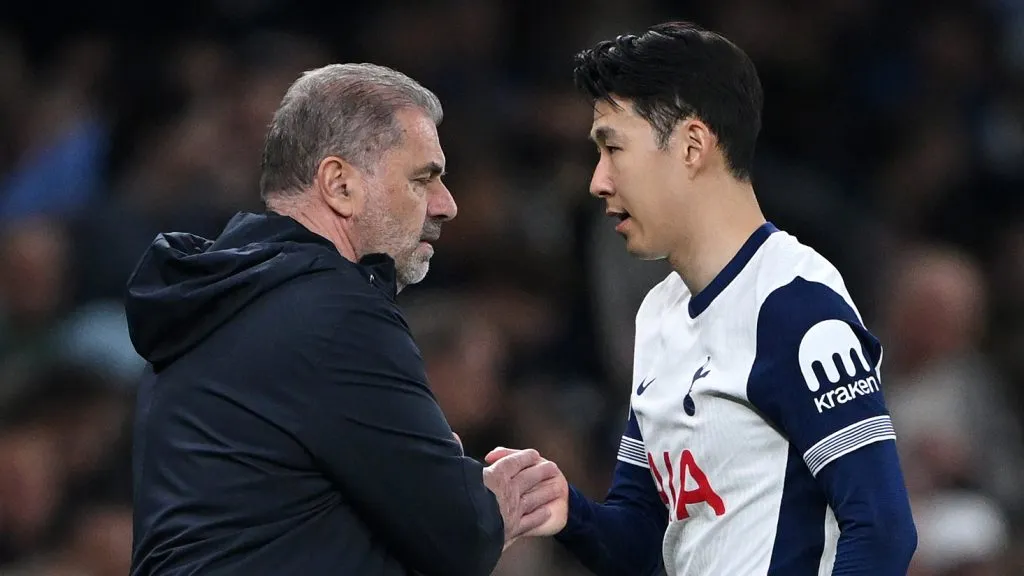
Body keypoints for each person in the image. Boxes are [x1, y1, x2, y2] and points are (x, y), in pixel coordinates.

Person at [487, 21, 918, 575]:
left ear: (692, 146)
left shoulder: (793, 305)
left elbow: (882, 530)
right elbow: (643, 536)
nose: (598, 180)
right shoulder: (657, 314)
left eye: (612, 148)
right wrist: (570, 513)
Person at [125, 63, 561, 576]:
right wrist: (496, 503)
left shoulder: (216, 302)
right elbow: (458, 533)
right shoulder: (336, 310)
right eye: (423, 179)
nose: (447, 205)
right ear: (339, 184)